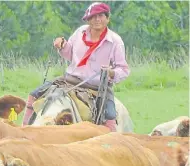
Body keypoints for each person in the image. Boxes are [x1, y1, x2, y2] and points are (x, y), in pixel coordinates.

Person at [22, 2, 130, 131]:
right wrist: (62, 45)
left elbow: (123, 69)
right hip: (69, 81)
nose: (97, 19)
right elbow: (69, 54)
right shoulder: (80, 32)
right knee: (33, 95)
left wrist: (111, 73)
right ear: (88, 19)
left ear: (107, 18)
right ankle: (24, 131)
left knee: (110, 115)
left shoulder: (115, 41)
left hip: (97, 87)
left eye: (101, 16)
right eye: (93, 17)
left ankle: (109, 144)